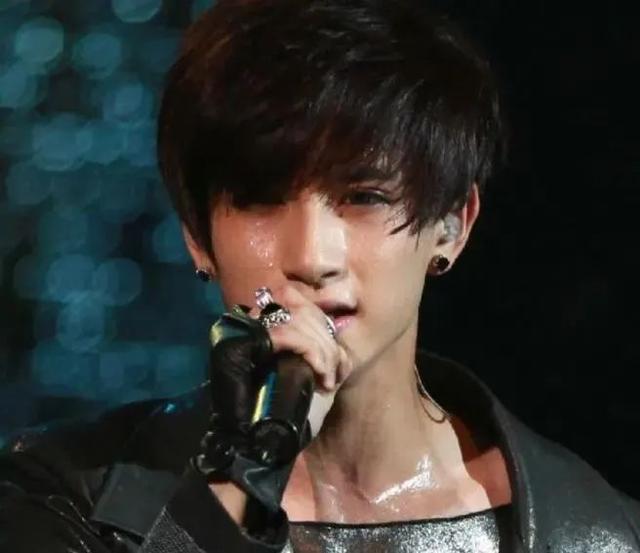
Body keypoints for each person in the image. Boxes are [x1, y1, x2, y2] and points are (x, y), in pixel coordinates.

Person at [1, 0, 639, 551]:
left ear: (451, 225)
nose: (311, 257)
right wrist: (243, 474)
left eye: (364, 197)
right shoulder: (62, 495)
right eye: (259, 199)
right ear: (197, 235)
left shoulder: (592, 531)